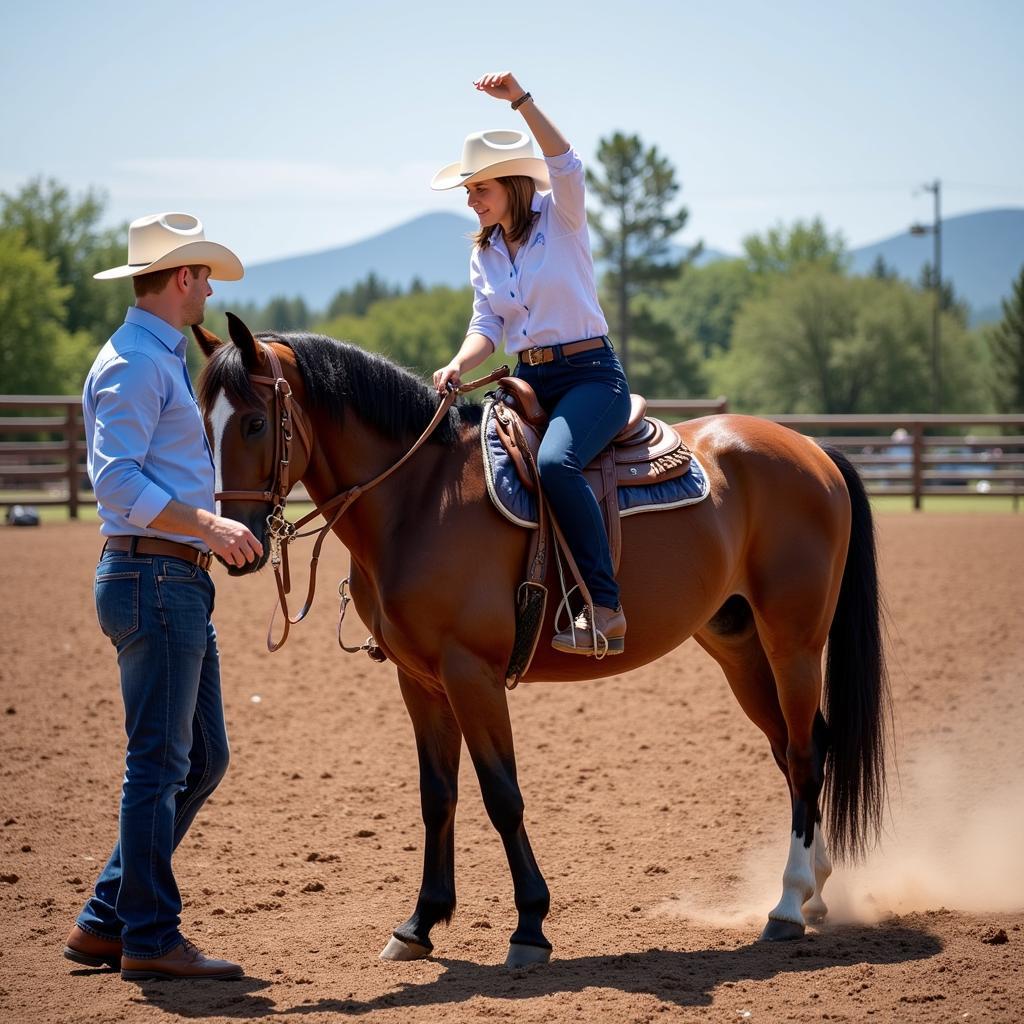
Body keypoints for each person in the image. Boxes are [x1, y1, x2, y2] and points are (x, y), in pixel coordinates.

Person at [63, 213, 263, 981]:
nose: (210, 287)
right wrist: (208, 522)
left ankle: (106, 920)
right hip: (156, 577)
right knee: (159, 761)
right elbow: (114, 480)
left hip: (168, 578)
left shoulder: (156, 358)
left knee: (201, 756)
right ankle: (148, 936)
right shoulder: (137, 365)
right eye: (204, 274)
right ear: (182, 279)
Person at [431, 72, 631, 656]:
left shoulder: (560, 217)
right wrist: (456, 364)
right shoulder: (485, 252)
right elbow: (486, 326)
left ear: (512, 183)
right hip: (528, 380)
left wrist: (520, 101)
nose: (470, 200)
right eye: (468, 191)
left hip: (591, 374)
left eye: (479, 188)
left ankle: (605, 605)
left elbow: (565, 161)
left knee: (556, 463)